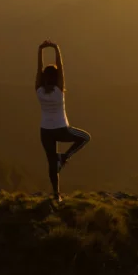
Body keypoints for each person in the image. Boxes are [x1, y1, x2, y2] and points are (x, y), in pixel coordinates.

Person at [35, 40, 91, 201]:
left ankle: (56, 194)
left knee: (51, 163)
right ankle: (65, 157)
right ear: (56, 77)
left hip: (45, 131)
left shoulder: (38, 90)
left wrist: (40, 50)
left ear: (44, 77)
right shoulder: (59, 90)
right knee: (85, 138)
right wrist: (56, 48)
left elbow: (38, 70)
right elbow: (61, 69)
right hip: (61, 129)